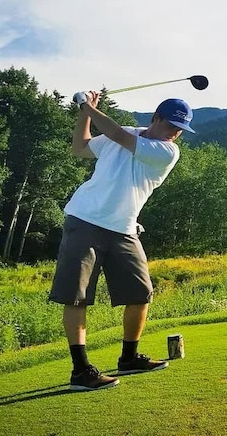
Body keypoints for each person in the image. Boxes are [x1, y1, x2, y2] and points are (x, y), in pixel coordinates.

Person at [49, 91, 194, 391]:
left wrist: (88, 107)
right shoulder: (126, 133)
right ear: (156, 118)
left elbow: (116, 133)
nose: (175, 133)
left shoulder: (167, 152)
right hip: (84, 219)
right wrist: (84, 114)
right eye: (171, 125)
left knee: (141, 294)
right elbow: (80, 148)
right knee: (76, 296)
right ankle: (81, 371)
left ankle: (128, 358)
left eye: (180, 129)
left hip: (124, 228)